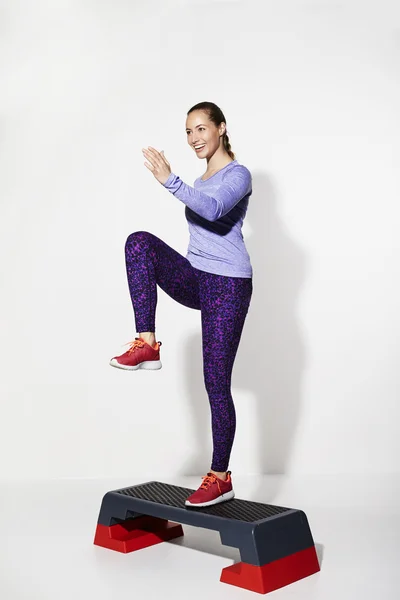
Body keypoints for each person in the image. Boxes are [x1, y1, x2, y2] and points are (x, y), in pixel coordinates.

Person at [110, 101, 253, 507]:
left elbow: (212, 209)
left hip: (228, 286)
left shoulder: (237, 175)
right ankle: (147, 343)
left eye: (201, 129)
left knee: (215, 382)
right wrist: (177, 181)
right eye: (188, 132)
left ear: (221, 128)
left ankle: (220, 475)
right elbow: (198, 207)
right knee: (139, 243)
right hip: (197, 277)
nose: (194, 139)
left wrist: (168, 180)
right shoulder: (199, 177)